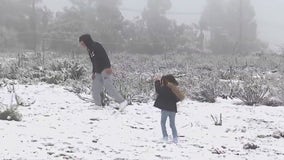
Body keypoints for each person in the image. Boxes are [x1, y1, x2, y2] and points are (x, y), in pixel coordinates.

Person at [79, 34, 127, 111]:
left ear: (86, 41)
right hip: (97, 71)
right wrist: (93, 72)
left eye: (82, 43)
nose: (81, 45)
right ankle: (98, 105)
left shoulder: (96, 46)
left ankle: (122, 101)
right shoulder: (89, 49)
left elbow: (104, 56)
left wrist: (108, 67)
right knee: (95, 89)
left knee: (109, 87)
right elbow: (93, 61)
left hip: (105, 70)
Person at [154, 74, 185, 143]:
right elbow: (178, 98)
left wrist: (157, 81)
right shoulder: (175, 88)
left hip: (165, 109)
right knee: (172, 124)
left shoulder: (166, 87)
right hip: (173, 109)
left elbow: (158, 90)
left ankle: (165, 137)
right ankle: (175, 137)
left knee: (163, 123)